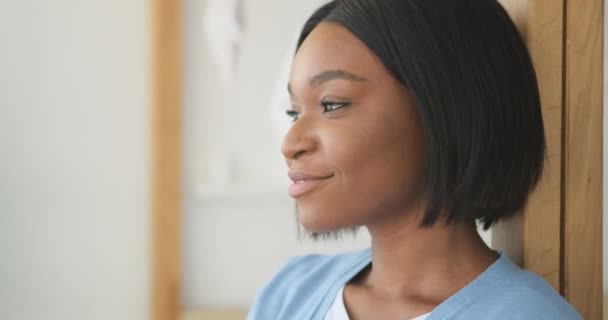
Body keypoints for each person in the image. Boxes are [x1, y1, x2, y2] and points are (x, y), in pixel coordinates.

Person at [247, 0, 582, 319]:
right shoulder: (288, 294)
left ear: (447, 109)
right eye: (294, 112)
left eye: (332, 104)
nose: (290, 144)